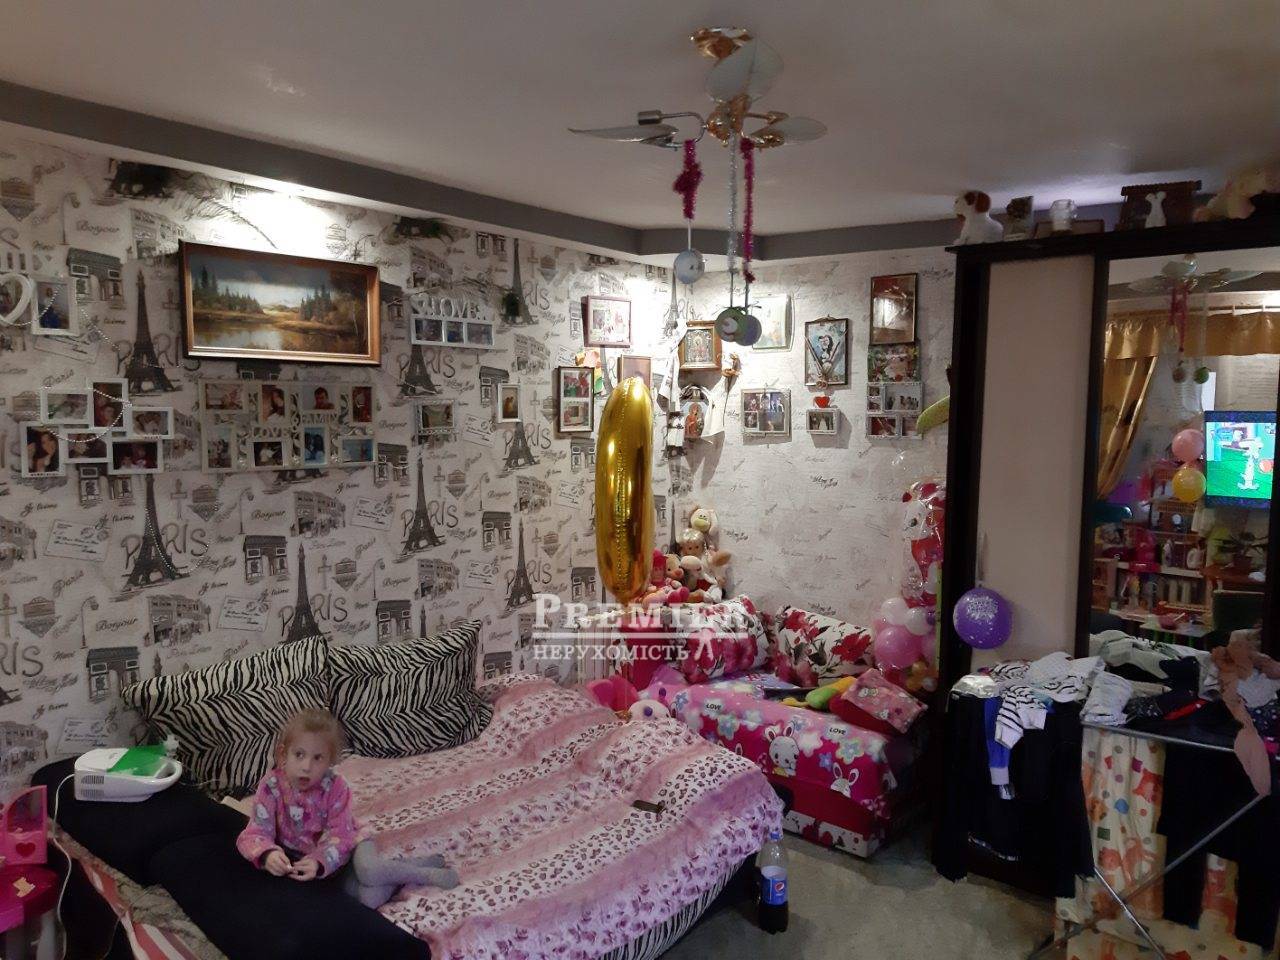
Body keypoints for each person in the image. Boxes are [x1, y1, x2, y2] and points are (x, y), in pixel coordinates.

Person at [237, 709, 459, 907]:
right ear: (283, 754)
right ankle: (402, 868)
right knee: (368, 900)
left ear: (330, 762)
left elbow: (341, 835)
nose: (306, 766)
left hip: (351, 843)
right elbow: (255, 832)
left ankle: (423, 874)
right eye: (299, 755)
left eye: (318, 758)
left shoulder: (336, 787)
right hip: (327, 866)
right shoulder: (271, 786)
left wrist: (319, 861)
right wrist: (268, 853)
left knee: (369, 871)